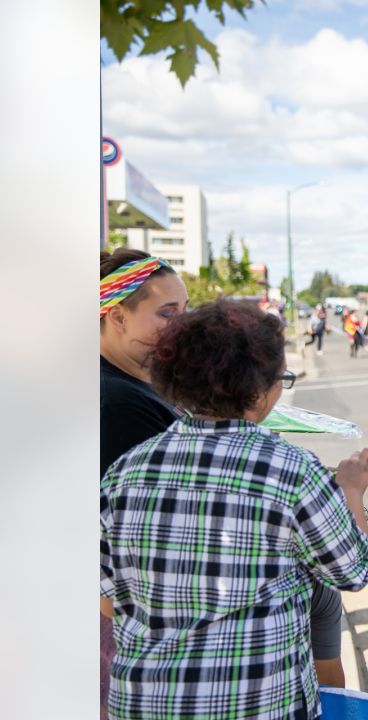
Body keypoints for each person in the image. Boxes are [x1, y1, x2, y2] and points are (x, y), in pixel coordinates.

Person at [100, 300, 368, 720]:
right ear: (261, 389)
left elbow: (107, 602)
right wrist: (352, 491)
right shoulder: (291, 469)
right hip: (260, 704)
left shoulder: (125, 471)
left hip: (143, 704)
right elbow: (353, 571)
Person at [99, 249, 189, 719]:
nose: (180, 328)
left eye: (184, 312)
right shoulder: (116, 403)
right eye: (166, 315)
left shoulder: (135, 383)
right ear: (116, 317)